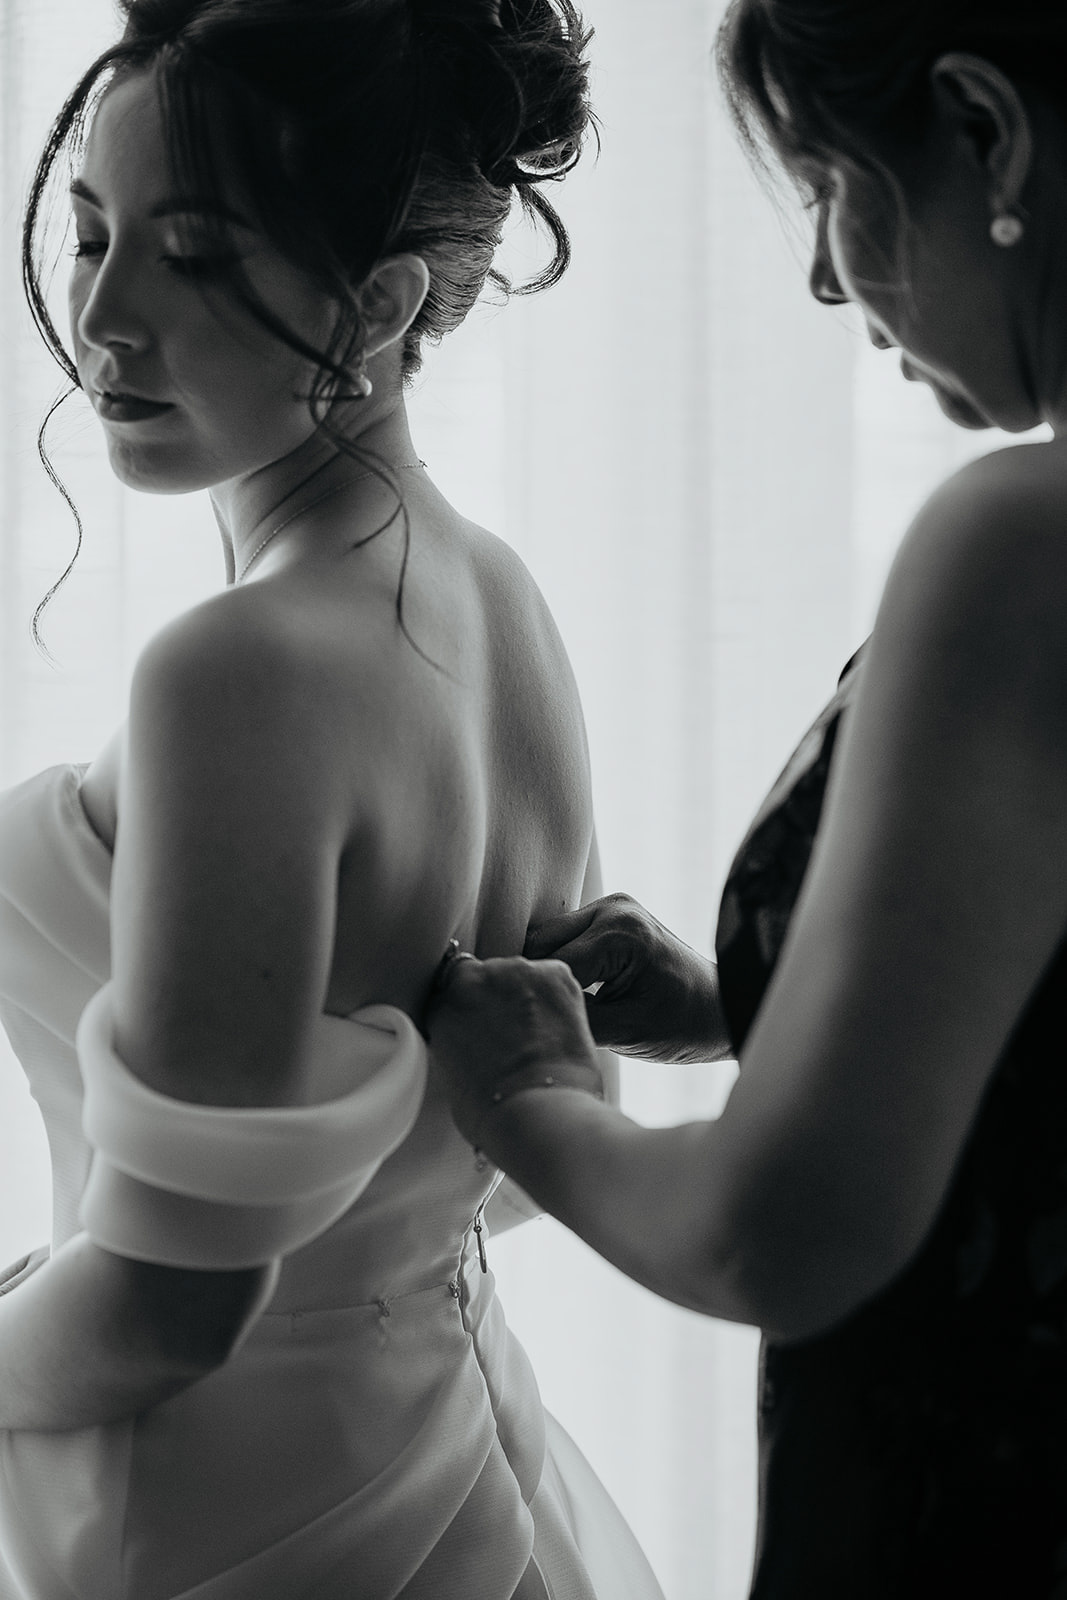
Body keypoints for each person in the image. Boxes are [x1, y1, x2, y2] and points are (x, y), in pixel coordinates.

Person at [0, 2, 667, 1596]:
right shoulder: (501, 604)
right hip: (427, 1457)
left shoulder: (238, 679)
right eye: (91, 234)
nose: (103, 317)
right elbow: (500, 1144)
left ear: (380, 304)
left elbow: (166, 1309)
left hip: (219, 1518)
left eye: (200, 255)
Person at [427, 1, 1067, 1594]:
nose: (828, 277)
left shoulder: (1021, 552)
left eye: (835, 187)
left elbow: (777, 1230)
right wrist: (744, 1006)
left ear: (987, 131)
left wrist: (528, 1109)